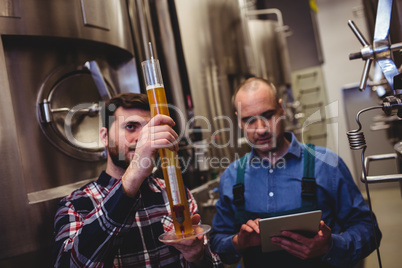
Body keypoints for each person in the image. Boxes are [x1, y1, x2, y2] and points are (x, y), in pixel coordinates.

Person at [209, 77, 382, 267]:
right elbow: (217, 243)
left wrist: (331, 245)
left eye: (268, 115)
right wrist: (237, 242)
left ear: (282, 110)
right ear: (239, 122)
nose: (261, 129)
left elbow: (369, 230)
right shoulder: (231, 178)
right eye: (249, 120)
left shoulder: (326, 164)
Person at [53, 93, 223, 267]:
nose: (143, 137)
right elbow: (69, 264)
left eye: (148, 128)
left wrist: (198, 257)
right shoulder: (76, 205)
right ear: (104, 137)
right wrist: (135, 172)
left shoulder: (176, 194)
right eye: (131, 127)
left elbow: (215, 263)